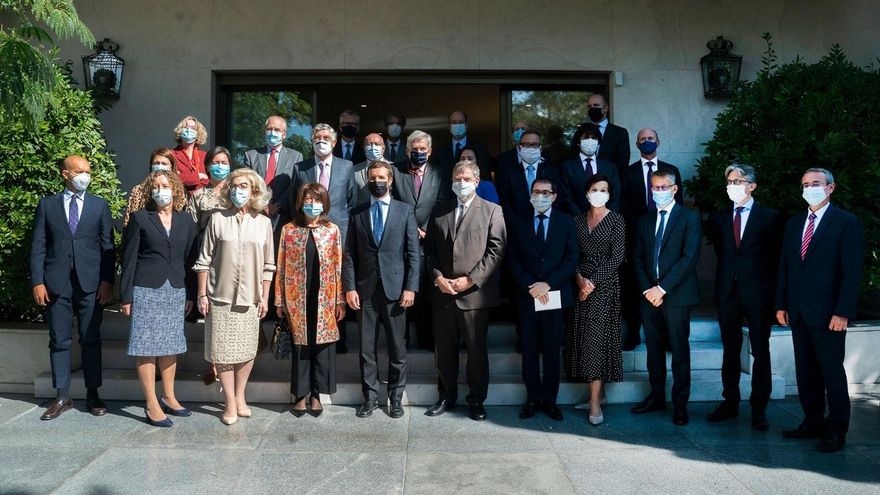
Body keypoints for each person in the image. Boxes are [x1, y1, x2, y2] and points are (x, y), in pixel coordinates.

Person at [776, 168, 864, 453]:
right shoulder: (794, 223)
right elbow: (786, 267)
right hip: (798, 311)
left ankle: (837, 429)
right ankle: (812, 421)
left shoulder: (846, 223)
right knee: (806, 371)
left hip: (829, 315)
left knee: (831, 372)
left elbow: (852, 272)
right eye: (805, 184)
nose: (810, 188)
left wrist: (843, 312)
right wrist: (781, 304)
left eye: (816, 183)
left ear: (830, 188)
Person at [30, 155, 114, 420]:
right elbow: (39, 245)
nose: (85, 176)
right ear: (65, 174)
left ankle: (93, 394)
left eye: (88, 171)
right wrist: (38, 281)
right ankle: (62, 395)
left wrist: (107, 281)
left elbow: (108, 246)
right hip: (56, 282)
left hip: (91, 283)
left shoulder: (99, 205)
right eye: (79, 171)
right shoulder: (47, 205)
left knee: (91, 338)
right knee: (59, 339)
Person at [424, 160, 507, 421]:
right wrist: (438, 277)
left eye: (467, 178)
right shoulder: (439, 210)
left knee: (476, 351)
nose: (461, 182)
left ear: (477, 181)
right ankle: (446, 396)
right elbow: (430, 250)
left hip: (474, 296)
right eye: (457, 178)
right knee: (444, 351)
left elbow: (496, 250)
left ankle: (476, 400)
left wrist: (470, 280)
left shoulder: (492, 211)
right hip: (443, 293)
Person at [194, 168, 275, 425]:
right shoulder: (217, 219)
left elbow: (269, 265)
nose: (238, 191)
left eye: (244, 186)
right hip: (220, 297)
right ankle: (229, 401)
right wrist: (202, 294)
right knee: (223, 352)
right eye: (234, 186)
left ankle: (240, 396)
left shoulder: (263, 223)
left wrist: (265, 297)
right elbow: (203, 261)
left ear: (254, 191)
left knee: (247, 350)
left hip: (250, 298)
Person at [707, 164, 783, 431]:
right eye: (729, 181)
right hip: (728, 292)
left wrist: (776, 298)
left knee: (760, 350)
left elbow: (776, 259)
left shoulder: (770, 217)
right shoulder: (720, 218)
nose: (731, 186)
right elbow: (723, 252)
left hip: (758, 293)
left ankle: (759, 408)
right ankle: (730, 402)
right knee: (730, 349)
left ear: (752, 186)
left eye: (737, 181)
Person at [120, 170, 198, 427]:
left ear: (175, 189)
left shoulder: (186, 220)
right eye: (155, 187)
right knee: (146, 346)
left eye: (164, 186)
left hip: (175, 288)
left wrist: (190, 293)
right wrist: (126, 296)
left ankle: (169, 396)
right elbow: (129, 259)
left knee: (170, 344)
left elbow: (190, 260)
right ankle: (151, 403)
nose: (160, 191)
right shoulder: (140, 218)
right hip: (146, 289)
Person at [344, 162, 420, 419]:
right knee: (366, 349)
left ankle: (395, 398)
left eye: (381, 177)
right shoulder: (357, 212)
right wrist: (350, 288)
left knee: (397, 348)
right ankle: (370, 398)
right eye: (372, 177)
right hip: (365, 291)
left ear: (390, 180)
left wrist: (410, 287)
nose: (376, 181)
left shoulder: (404, 210)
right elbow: (349, 255)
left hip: (396, 291)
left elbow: (413, 253)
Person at [630, 168, 702, 426]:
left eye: (664, 187)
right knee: (654, 349)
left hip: (677, 295)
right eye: (655, 187)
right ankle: (657, 397)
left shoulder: (690, 218)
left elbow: (689, 258)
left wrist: (662, 289)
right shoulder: (644, 220)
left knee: (679, 350)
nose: (659, 192)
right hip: (648, 296)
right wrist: (648, 290)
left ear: (674, 189)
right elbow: (637, 258)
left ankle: (680, 403)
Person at [506, 178, 579, 422]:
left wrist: (548, 284)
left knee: (551, 349)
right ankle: (532, 399)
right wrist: (531, 285)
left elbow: (571, 258)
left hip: (554, 295)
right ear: (530, 195)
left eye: (546, 192)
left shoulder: (567, 222)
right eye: (536, 192)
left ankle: (550, 401)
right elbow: (512, 259)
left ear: (554, 196)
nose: (540, 196)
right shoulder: (519, 222)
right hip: (527, 296)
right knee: (528, 349)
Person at [276, 183, 346, 417]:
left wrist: (340, 299)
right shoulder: (289, 230)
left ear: (324, 204)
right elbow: (281, 265)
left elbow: (338, 265)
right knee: (300, 345)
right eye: (308, 200)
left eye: (317, 200)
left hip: (325, 296)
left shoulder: (332, 230)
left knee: (322, 345)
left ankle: (317, 393)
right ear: (300, 202)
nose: (312, 204)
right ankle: (300, 394)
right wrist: (279, 300)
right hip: (297, 297)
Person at [564, 174, 626, 426]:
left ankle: (594, 404)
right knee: (583, 339)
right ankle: (597, 394)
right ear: (586, 192)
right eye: (594, 189)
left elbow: (617, 257)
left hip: (605, 287)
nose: (598, 193)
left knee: (596, 341)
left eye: (603, 189)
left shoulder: (616, 220)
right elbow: (570, 252)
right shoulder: (576, 220)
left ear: (609, 194)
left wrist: (591, 283)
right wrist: (580, 279)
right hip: (579, 285)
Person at [291, 124, 357, 353]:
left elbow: (351, 200)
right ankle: (310, 334)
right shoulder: (301, 168)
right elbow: (295, 201)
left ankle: (340, 338)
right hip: (308, 233)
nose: (321, 141)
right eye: (317, 137)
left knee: (337, 283)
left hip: (337, 234)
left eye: (326, 137)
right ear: (312, 141)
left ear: (334, 142)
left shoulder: (347, 166)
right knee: (313, 283)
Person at [620, 128, 684, 350]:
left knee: (665, 284)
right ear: (636, 144)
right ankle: (633, 334)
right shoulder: (627, 172)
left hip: (666, 235)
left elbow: (679, 204)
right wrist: (643, 225)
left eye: (650, 138)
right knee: (636, 284)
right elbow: (623, 204)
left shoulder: (671, 170)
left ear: (658, 141)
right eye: (642, 139)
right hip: (638, 235)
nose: (647, 142)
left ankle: (668, 337)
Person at [391, 130, 451, 350]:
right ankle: (401, 342)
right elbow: (392, 201)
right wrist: (409, 228)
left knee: (426, 293)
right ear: (407, 151)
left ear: (430, 151)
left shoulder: (440, 173)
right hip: (401, 243)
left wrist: (427, 229)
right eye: (414, 149)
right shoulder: (395, 171)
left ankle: (427, 340)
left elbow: (443, 204)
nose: (418, 152)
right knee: (401, 292)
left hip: (429, 242)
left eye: (422, 149)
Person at [243, 115, 304, 227]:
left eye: (277, 129)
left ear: (284, 134)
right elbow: (248, 184)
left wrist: (277, 205)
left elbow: (294, 185)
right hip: (255, 214)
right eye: (269, 129)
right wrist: (264, 204)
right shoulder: (251, 156)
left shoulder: (296, 157)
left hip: (283, 216)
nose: (272, 132)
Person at [496, 130, 567, 220]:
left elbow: (559, 198)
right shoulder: (508, 172)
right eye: (526, 145)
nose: (531, 148)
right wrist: (515, 223)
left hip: (546, 222)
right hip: (516, 223)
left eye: (535, 145)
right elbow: (504, 201)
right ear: (519, 148)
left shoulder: (552, 171)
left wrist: (548, 219)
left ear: (540, 149)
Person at [559, 124, 621, 213]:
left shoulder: (610, 167)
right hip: (576, 218)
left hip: (606, 218)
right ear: (578, 142)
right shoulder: (567, 167)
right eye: (586, 137)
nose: (590, 140)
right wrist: (581, 219)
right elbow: (567, 198)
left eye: (594, 138)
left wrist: (606, 217)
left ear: (598, 142)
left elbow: (615, 196)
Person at [578, 93, 630, 174]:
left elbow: (622, 163)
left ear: (606, 108)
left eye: (596, 105)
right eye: (589, 106)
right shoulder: (580, 131)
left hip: (610, 179)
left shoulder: (620, 133)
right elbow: (573, 157)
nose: (592, 108)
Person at [124, 148, 176, 226]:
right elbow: (130, 219)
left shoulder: (179, 191)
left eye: (164, 163)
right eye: (156, 163)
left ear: (171, 166)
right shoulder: (139, 190)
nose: (160, 166)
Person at [432, 110, 490, 175]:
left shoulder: (480, 148)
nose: (457, 125)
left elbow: (486, 173)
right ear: (449, 127)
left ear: (466, 125)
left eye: (461, 122)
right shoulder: (440, 151)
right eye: (454, 122)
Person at [187, 146, 232, 230]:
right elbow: (190, 226)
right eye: (215, 163)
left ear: (229, 166)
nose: (220, 166)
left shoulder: (235, 192)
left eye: (224, 163)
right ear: (208, 167)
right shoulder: (198, 195)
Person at [171, 115, 209, 193]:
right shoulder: (171, 154)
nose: (189, 130)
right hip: (180, 197)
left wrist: (185, 178)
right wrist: (199, 176)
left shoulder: (204, 156)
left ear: (198, 133)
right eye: (186, 127)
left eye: (193, 128)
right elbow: (173, 179)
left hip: (200, 198)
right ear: (180, 131)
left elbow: (209, 180)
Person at [352, 133, 389, 204]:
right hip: (361, 209)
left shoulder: (393, 167)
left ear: (383, 148)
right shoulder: (354, 169)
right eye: (369, 144)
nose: (373, 147)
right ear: (364, 148)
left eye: (377, 144)